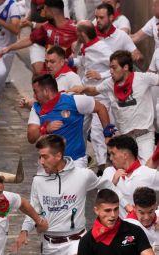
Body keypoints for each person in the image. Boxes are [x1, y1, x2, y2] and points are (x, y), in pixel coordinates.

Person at [14, 135, 128, 255]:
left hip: (77, 243)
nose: (41, 162)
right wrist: (25, 230)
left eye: (45, 157)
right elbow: (34, 209)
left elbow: (107, 185)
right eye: (40, 157)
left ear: (58, 156)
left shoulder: (83, 175)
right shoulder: (38, 181)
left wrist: (127, 206)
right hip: (49, 245)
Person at [68, 50, 159, 163]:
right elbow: (94, 91)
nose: (110, 71)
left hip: (144, 135)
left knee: (146, 170)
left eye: (114, 67)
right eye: (110, 67)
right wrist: (84, 89)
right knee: (129, 172)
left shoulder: (143, 78)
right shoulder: (109, 83)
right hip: (126, 139)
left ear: (125, 67)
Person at [26, 74, 114, 169]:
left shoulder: (73, 101)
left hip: (76, 161)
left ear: (46, 91)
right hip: (49, 163)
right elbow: (31, 138)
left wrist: (107, 134)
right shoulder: (36, 108)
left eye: (35, 92)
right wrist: (45, 129)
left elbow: (101, 108)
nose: (34, 96)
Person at [70, 20, 113, 175]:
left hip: (101, 95)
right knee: (80, 127)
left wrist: (100, 75)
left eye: (77, 33)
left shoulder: (102, 48)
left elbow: (116, 67)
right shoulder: (85, 47)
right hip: (86, 93)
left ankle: (102, 166)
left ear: (82, 34)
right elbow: (83, 61)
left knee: (96, 131)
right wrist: (69, 60)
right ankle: (79, 159)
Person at [0, 0, 77, 76]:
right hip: (51, 76)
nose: (44, 14)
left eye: (45, 10)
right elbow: (30, 39)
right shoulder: (46, 27)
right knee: (39, 74)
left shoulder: (75, 28)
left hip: (70, 74)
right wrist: (8, 48)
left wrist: (76, 51)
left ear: (51, 12)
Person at [77, 189, 154, 255]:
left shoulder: (135, 230)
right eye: (108, 210)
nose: (113, 215)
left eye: (116, 209)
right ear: (96, 210)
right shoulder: (87, 241)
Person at [101, 135, 159, 218]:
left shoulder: (148, 174)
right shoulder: (109, 172)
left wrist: (157, 214)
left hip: (143, 230)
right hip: (118, 229)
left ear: (125, 155)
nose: (110, 158)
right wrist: (113, 183)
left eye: (113, 154)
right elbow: (101, 200)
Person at [124, 187, 159, 251]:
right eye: (142, 213)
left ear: (155, 206)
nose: (147, 217)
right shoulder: (127, 227)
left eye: (150, 212)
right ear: (134, 208)